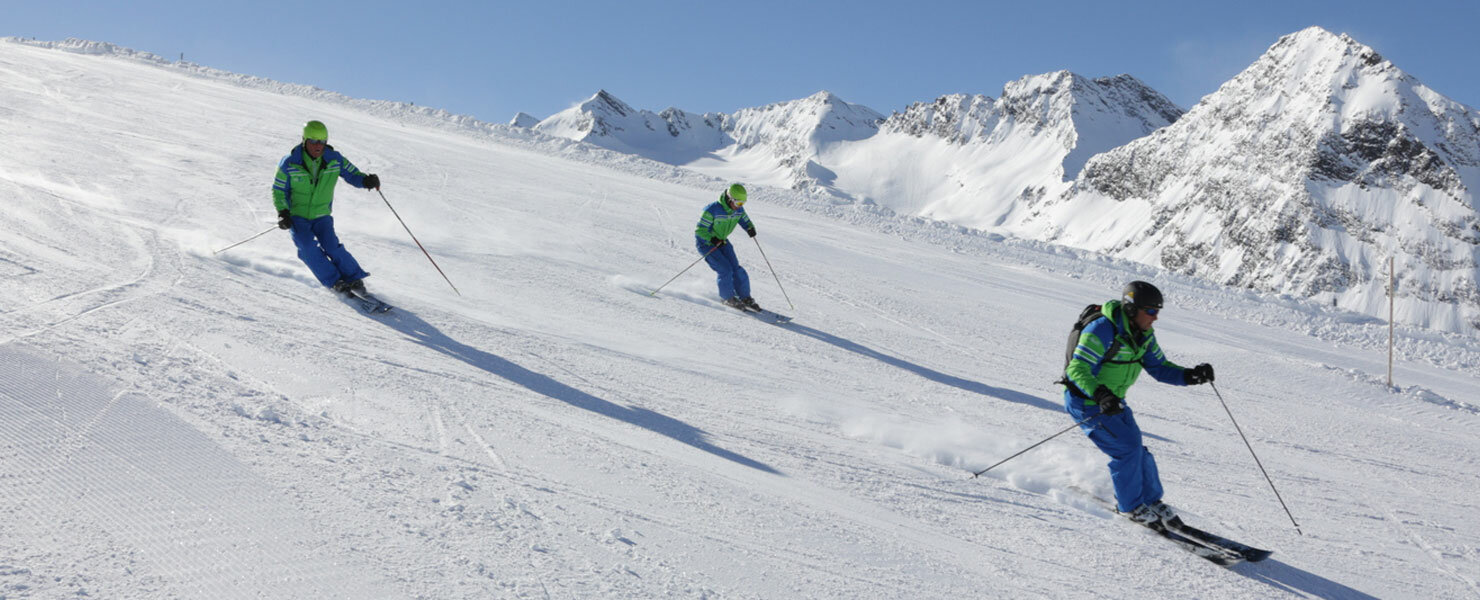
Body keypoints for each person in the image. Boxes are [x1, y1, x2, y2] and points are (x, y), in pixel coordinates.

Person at [1062, 281, 1216, 526]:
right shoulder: (1102, 329)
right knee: (1127, 449)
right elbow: (1077, 369)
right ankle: (1131, 507)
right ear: (1133, 310)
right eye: (1151, 311)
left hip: (1113, 401)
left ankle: (1150, 500)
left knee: (1137, 450)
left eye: (1157, 312)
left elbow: (1159, 367)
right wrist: (1100, 395)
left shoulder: (1142, 335)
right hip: (1088, 402)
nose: (1155, 318)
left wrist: (1190, 376)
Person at [272, 120, 382, 295]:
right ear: (305, 140)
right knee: (307, 248)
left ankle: (353, 277)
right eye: (314, 141)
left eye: (322, 141)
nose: (318, 146)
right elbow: (279, 190)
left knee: (332, 246)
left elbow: (352, 174)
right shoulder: (290, 162)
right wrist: (283, 212)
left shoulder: (334, 159)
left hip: (322, 214)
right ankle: (334, 281)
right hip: (297, 216)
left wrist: (365, 181)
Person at [694, 183, 760, 311]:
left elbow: (745, 220)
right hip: (706, 244)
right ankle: (727, 298)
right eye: (738, 203)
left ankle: (745, 297)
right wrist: (712, 239)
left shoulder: (738, 210)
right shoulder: (712, 210)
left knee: (736, 268)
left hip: (722, 242)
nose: (740, 206)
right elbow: (699, 231)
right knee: (725, 270)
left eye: (743, 203)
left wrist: (750, 228)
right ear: (730, 199)